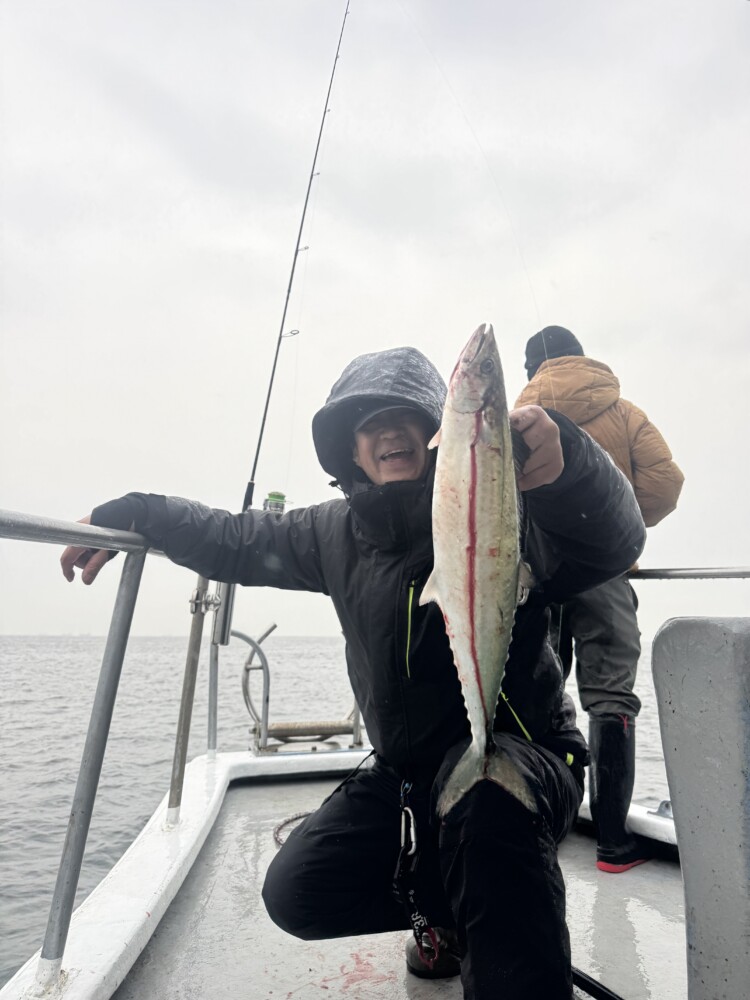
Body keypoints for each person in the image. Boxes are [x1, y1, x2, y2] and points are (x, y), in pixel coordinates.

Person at [61, 344, 645, 999]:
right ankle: (452, 914)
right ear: (349, 449)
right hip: (407, 773)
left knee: (488, 813)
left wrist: (568, 464)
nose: (388, 431)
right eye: (368, 423)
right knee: (299, 890)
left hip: (527, 763)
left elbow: (616, 540)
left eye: (405, 416)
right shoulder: (332, 532)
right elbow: (234, 538)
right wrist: (139, 512)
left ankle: (501, 905)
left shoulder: (503, 506)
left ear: (437, 433)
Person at [516, 325, 684, 873]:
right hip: (604, 571)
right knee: (610, 696)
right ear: (580, 358)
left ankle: (543, 822)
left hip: (536, 575)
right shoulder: (623, 411)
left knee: (536, 691)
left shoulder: (516, 412)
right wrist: (609, 525)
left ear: (531, 368)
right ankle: (612, 842)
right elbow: (664, 485)